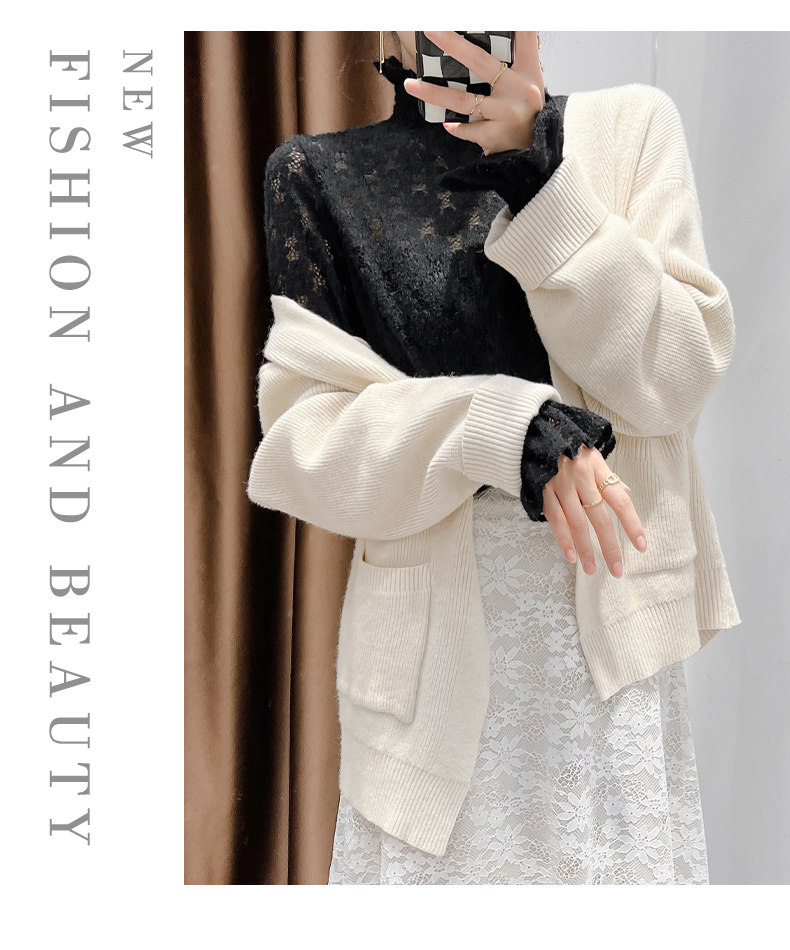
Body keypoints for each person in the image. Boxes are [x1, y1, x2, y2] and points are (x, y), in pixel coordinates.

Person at [247, 31, 741, 884]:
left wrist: (544, 183)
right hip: (427, 687)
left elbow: (676, 378)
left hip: (609, 664)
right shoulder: (317, 174)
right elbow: (305, 443)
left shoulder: (631, 128)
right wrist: (507, 426)